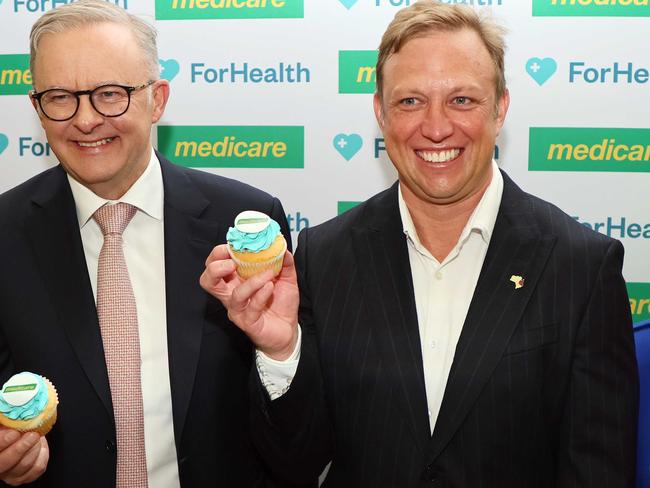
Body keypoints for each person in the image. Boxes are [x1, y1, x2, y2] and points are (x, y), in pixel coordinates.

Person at [200, 1, 639, 486]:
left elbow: (598, 470)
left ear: (501, 108)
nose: (435, 127)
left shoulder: (581, 265)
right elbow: (294, 461)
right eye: (410, 101)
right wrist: (282, 353)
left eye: (462, 100)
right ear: (380, 113)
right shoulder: (324, 256)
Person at [0, 1, 292, 486]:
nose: (86, 119)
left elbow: (295, 429)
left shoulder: (243, 227)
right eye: (59, 96)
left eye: (110, 94)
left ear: (157, 100)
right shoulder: (4, 235)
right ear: (36, 108)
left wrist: (283, 359)